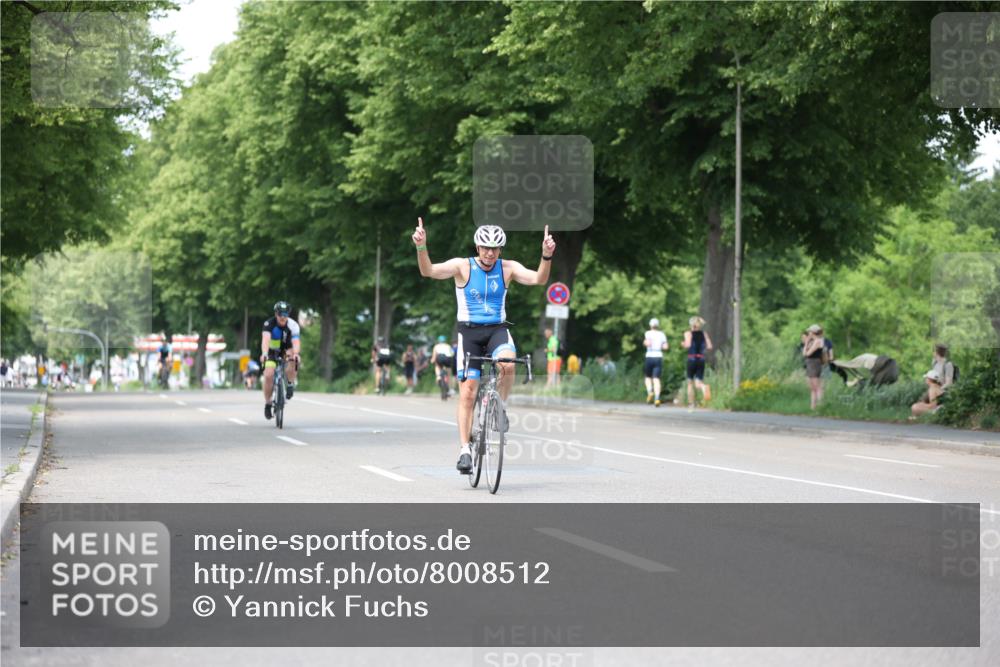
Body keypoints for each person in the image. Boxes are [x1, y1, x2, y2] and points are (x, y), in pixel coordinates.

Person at [412, 217, 555, 474]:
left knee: (508, 365)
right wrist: (421, 246)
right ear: (478, 247)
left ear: (500, 250)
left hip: (497, 330)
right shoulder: (462, 266)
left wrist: (546, 255)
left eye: (495, 248)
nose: (490, 253)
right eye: (486, 247)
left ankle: (500, 407)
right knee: (468, 391)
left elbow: (539, 279)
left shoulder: (508, 268)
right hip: (469, 333)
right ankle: (464, 450)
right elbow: (428, 271)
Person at [261, 301, 300, 420]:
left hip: (285, 351)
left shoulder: (293, 325)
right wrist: (264, 354)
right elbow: (266, 340)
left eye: (285, 314)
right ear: (275, 314)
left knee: (294, 359)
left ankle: (290, 383)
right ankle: (268, 403)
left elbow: (296, 342)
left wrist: (296, 353)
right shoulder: (269, 324)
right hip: (271, 352)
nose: (283, 317)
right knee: (268, 375)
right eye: (280, 314)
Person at [683, 316, 713, 409]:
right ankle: (703, 387)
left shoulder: (688, 333)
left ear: (691, 325)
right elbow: (710, 346)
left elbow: (688, 345)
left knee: (690, 382)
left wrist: (683, 344)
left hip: (692, 359)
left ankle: (691, 403)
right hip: (701, 360)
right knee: (698, 383)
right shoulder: (704, 334)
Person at [643, 318, 669, 406]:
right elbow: (666, 347)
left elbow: (647, 343)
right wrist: (659, 345)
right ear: (657, 325)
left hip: (649, 356)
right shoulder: (662, 334)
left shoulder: (647, 333)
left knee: (647, 377)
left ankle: (650, 391)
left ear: (650, 325)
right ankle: (657, 398)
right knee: (656, 378)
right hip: (658, 356)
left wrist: (646, 343)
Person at [802, 324, 827, 410]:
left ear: (813, 332)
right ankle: (813, 407)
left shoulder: (818, 341)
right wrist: (806, 343)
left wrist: (807, 345)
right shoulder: (812, 341)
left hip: (815, 363)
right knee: (812, 387)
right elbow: (804, 353)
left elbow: (808, 353)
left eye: (810, 331)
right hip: (809, 363)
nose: (808, 333)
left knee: (817, 386)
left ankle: (821, 406)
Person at [432, 335, 455, 400]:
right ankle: (450, 388)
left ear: (439, 341)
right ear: (445, 341)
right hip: (447, 359)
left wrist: (432, 361)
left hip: (440, 359)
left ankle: (438, 377)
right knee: (449, 373)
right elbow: (452, 354)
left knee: (437, 366)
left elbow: (434, 357)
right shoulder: (448, 346)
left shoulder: (436, 346)